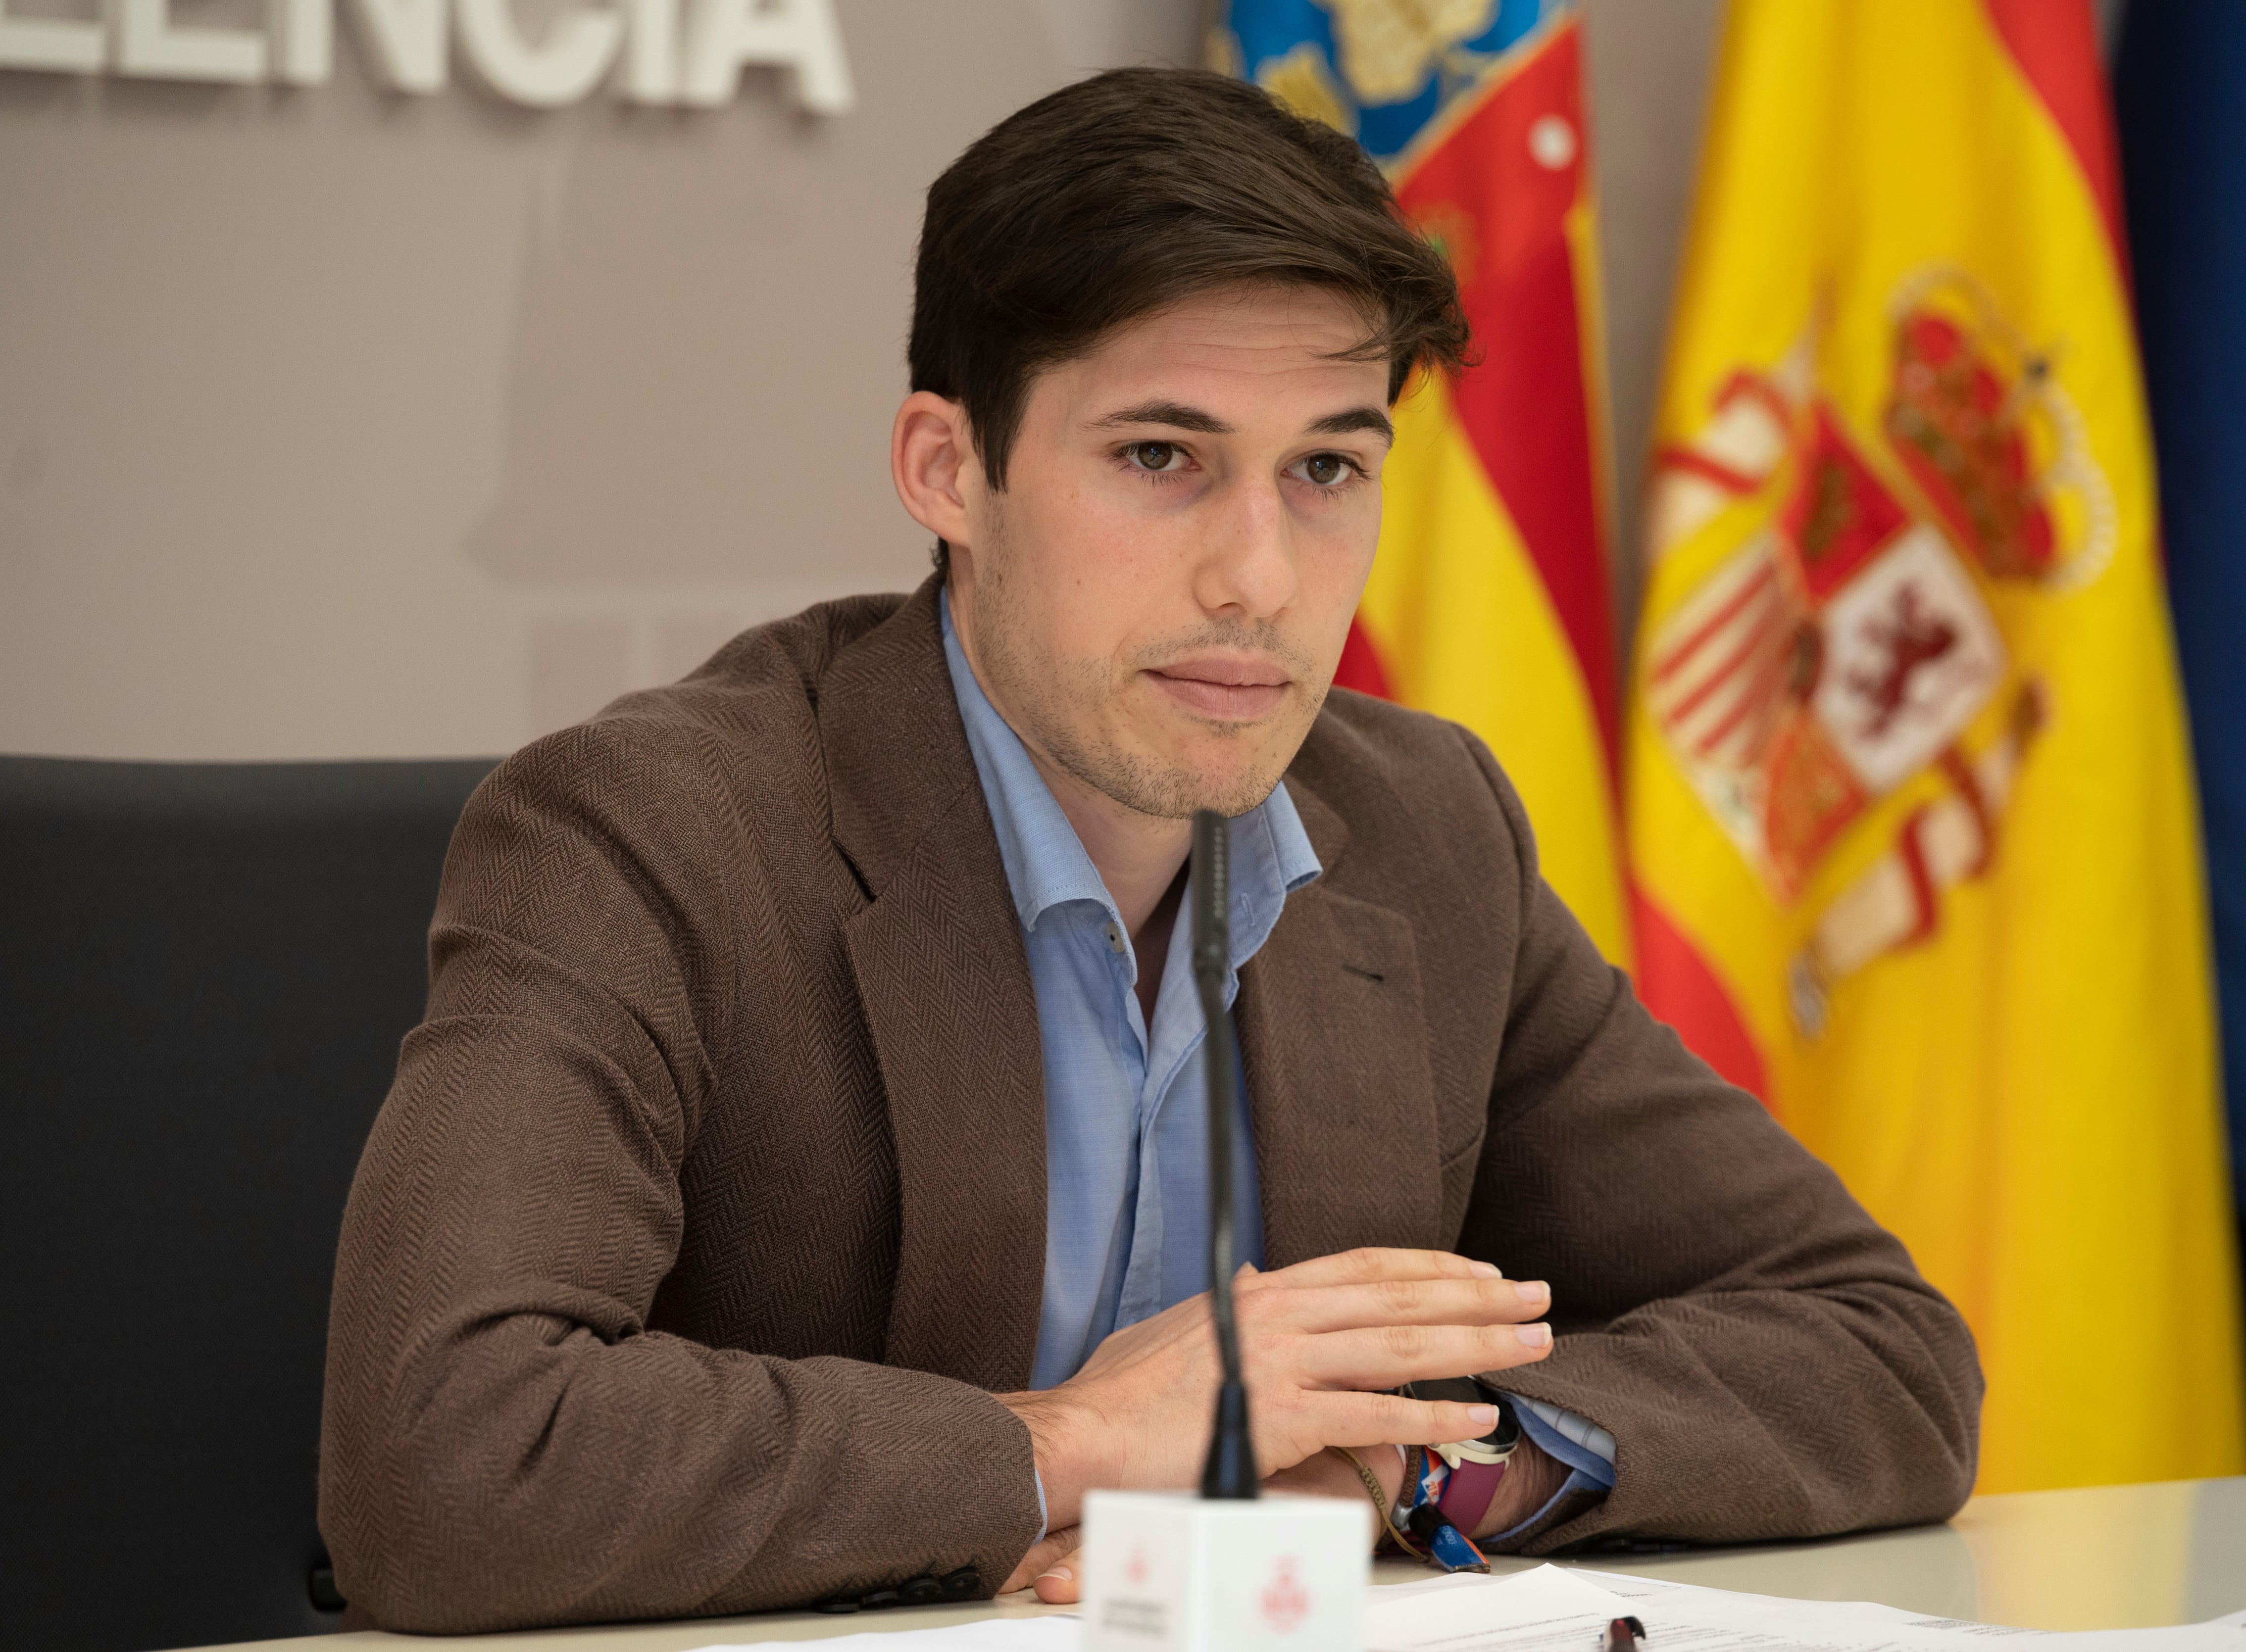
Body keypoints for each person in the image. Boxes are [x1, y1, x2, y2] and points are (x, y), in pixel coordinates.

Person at [319, 66, 1982, 1635]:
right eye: (1161, 458)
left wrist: (1412, 1467)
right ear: (948, 468)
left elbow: (1883, 1350)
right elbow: (442, 1454)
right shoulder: (657, 828)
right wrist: (1075, 1439)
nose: (1258, 576)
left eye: (1327, 466)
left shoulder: (1425, 830)